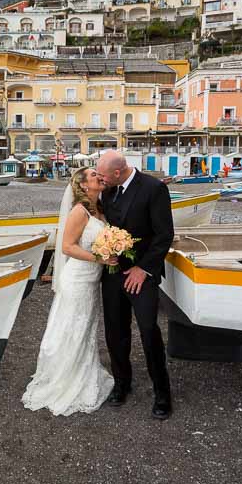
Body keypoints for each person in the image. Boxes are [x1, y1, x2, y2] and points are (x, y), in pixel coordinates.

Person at [22, 167, 116, 416]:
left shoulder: (100, 208)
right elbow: (66, 247)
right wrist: (100, 258)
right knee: (73, 325)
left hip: (91, 279)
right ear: (84, 185)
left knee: (85, 326)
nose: (99, 177)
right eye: (94, 175)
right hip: (78, 278)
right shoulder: (79, 211)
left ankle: (84, 369)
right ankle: (66, 379)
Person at [95, 150, 174, 420]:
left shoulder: (153, 188)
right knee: (115, 331)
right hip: (113, 273)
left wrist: (144, 269)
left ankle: (162, 393)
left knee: (149, 330)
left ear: (118, 172)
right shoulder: (107, 191)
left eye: (103, 176)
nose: (100, 180)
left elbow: (165, 235)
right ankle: (122, 384)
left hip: (143, 274)